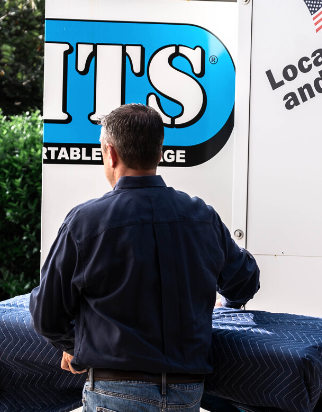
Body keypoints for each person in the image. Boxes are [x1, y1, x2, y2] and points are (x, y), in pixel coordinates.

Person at [30, 103, 260, 412]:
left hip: (114, 392)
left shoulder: (85, 222)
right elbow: (245, 282)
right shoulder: (202, 217)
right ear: (160, 151)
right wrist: (223, 302)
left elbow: (47, 315)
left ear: (110, 154)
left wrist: (77, 347)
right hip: (187, 393)